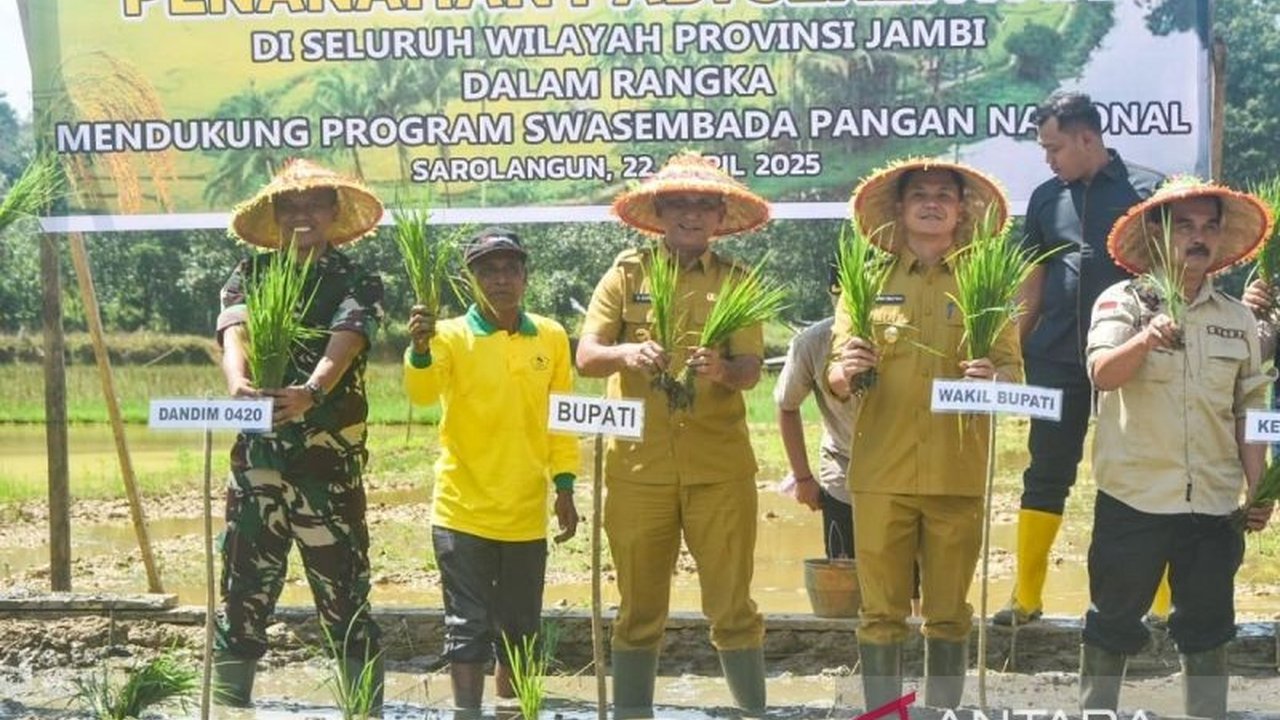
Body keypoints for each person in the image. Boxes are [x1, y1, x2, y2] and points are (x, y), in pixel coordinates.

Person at [576, 151, 771, 719]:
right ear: (659, 212)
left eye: (703, 205)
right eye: (679, 204)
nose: (691, 214)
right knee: (638, 610)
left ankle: (753, 713)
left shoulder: (738, 281)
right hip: (639, 471)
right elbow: (587, 355)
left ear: (719, 215)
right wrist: (627, 352)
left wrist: (723, 371)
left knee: (733, 607)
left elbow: (752, 370)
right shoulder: (626, 274)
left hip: (720, 470)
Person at [826, 159, 1022, 710]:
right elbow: (837, 378)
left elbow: (1014, 375)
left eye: (944, 195)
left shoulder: (984, 285)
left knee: (948, 613)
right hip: (880, 472)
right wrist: (849, 367)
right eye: (920, 195)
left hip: (957, 473)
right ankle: (885, 712)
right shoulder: (866, 282)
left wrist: (993, 378)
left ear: (961, 211)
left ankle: (942, 710)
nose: (932, 203)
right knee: (880, 612)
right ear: (900, 208)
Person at [1079, 178, 1274, 718]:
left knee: (1208, 626)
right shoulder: (1122, 301)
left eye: (1209, 226)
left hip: (1213, 502)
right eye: (1184, 225)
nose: (1198, 238)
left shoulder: (1237, 318)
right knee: (1112, 622)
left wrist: (1259, 488)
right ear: (1158, 234)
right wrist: (1145, 338)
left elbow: (1248, 413)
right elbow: (1102, 374)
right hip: (1134, 497)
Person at [214, 159, 386, 710]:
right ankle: (229, 704)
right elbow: (234, 331)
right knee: (242, 592)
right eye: (290, 206)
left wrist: (312, 389)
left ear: (334, 213)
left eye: (314, 204)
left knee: (345, 598)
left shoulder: (356, 278)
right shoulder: (251, 273)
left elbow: (349, 336)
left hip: (326, 468)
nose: (302, 215)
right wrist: (238, 382)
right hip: (258, 464)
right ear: (276, 215)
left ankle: (363, 707)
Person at [1000, 90, 1166, 626]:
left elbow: (1172, 280)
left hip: (1131, 359)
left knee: (1144, 472)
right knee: (1046, 471)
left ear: (1086, 138)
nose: (1048, 158)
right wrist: (1009, 351)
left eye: (1054, 147)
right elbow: (1032, 284)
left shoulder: (1148, 192)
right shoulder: (1047, 199)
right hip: (1054, 359)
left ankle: (1160, 607)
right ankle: (1025, 599)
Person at [404, 228, 581, 715]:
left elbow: (560, 419)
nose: (500, 279)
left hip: (526, 509)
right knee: (467, 622)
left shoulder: (550, 336)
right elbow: (421, 395)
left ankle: (517, 707)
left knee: (522, 624)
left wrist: (565, 485)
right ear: (472, 280)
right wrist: (418, 349)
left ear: (526, 276)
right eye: (488, 270)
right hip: (462, 507)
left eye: (509, 269)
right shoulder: (448, 335)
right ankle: (467, 711)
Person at [772, 282, 924, 616]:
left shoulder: (910, 333)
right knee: (844, 573)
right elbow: (786, 405)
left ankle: (910, 644)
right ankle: (849, 648)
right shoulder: (813, 342)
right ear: (835, 292)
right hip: (844, 466)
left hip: (904, 467)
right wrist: (802, 478)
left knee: (910, 577)